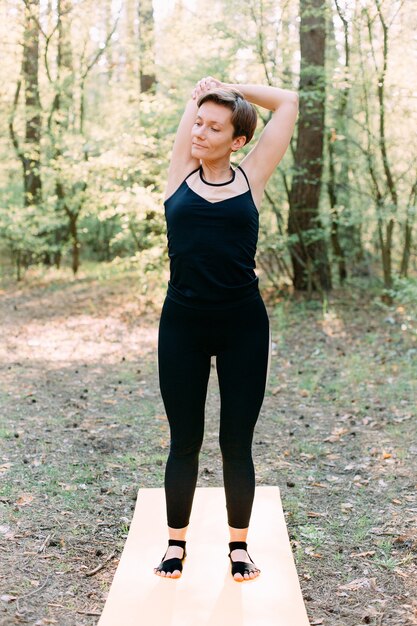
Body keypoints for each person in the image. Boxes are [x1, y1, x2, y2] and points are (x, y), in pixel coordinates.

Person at [154, 76, 298, 582]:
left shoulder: (252, 177)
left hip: (243, 326)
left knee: (236, 442)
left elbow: (288, 102)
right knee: (184, 440)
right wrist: (202, 95)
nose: (200, 132)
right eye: (198, 122)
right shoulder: (179, 175)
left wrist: (234, 88)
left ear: (238, 141)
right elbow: (192, 111)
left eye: (214, 128)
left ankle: (239, 548)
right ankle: (176, 544)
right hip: (182, 326)